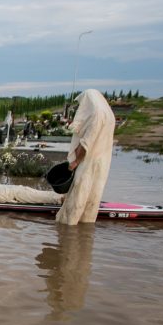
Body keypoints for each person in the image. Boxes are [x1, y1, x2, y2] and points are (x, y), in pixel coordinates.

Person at [56, 89, 115, 225]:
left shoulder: (96, 114)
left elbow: (86, 143)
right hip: (102, 162)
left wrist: (76, 161)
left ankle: (68, 228)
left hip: (88, 161)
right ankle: (84, 228)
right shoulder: (108, 114)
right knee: (92, 194)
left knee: (78, 194)